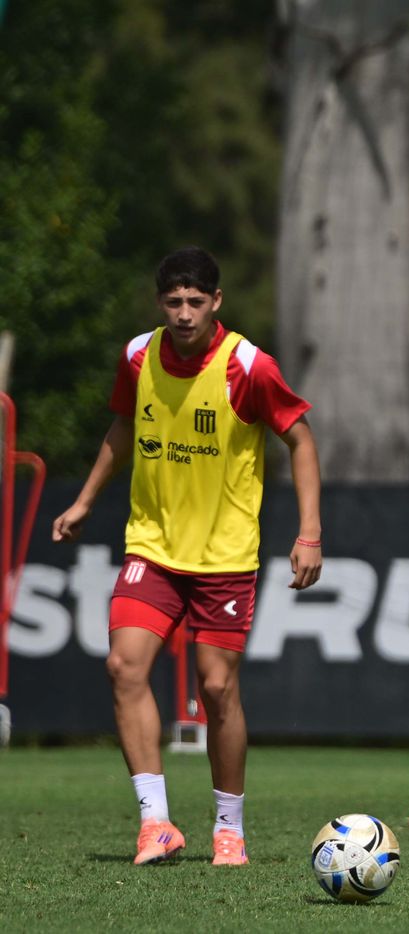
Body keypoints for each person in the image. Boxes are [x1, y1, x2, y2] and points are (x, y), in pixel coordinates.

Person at [52, 247, 324, 867]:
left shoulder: (247, 366)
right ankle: (156, 823)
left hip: (225, 556)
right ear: (159, 303)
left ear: (216, 302)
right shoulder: (138, 356)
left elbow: (301, 440)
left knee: (216, 689)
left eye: (195, 301)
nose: (183, 313)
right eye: (172, 301)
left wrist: (310, 531)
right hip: (152, 543)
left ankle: (229, 827)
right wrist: (87, 499)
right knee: (123, 667)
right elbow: (124, 426)